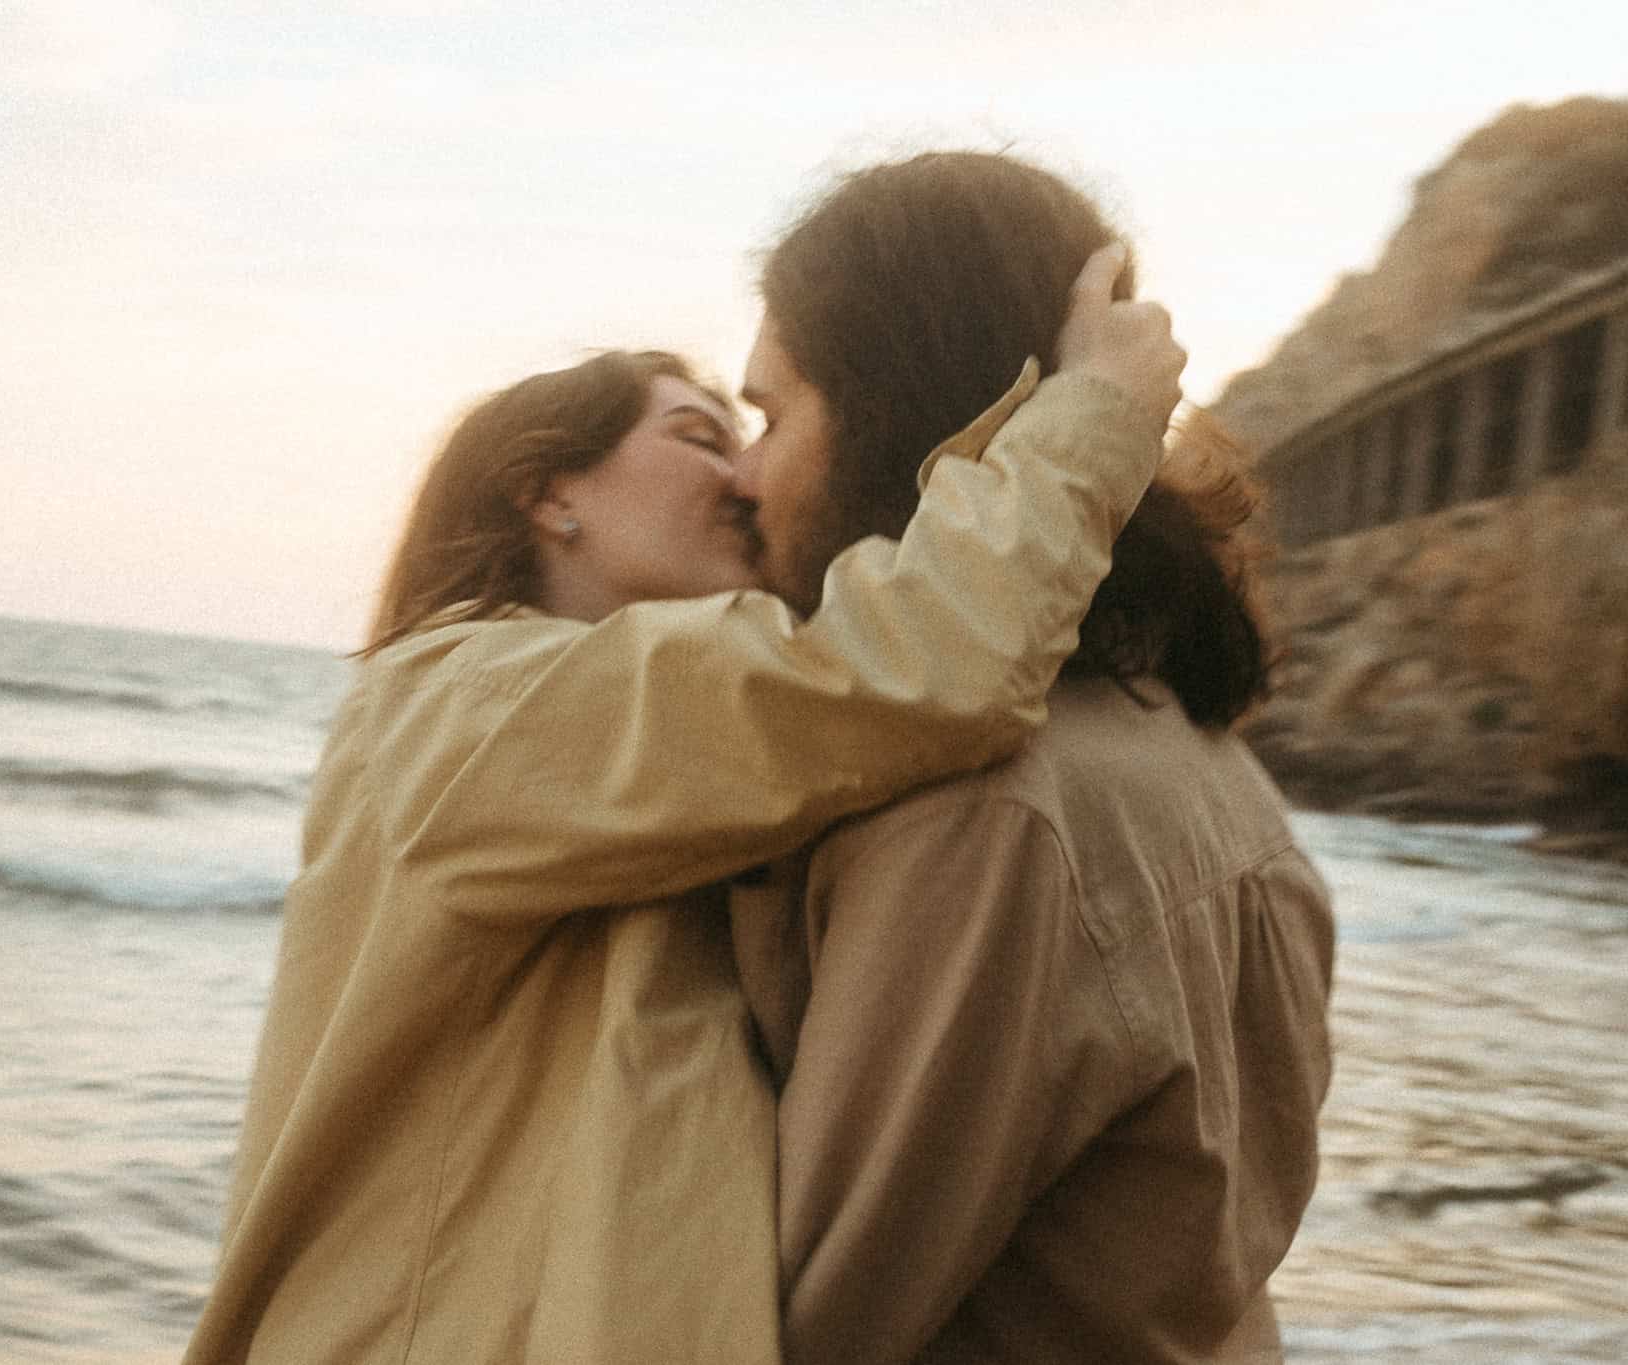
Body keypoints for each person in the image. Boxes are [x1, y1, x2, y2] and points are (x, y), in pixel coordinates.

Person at [182, 252, 1187, 1364]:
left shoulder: (659, 752)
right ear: (547, 492)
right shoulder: (470, 703)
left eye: (754, 433)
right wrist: (1096, 414)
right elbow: (920, 655)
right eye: (700, 437)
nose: (744, 479)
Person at [726, 150, 1336, 1364]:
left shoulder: (987, 816)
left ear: (896, 417)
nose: (740, 479)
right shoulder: (1204, 755)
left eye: (768, 416)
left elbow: (793, 1318)